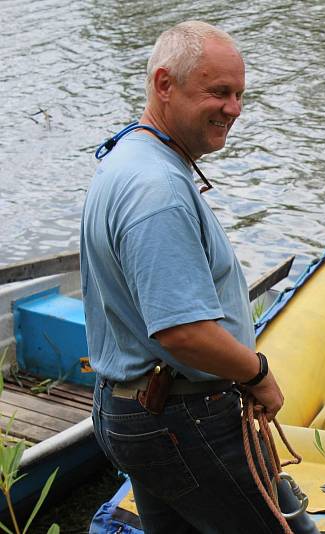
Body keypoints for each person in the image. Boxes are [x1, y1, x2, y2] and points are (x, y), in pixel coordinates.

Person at [81, 21, 285, 532]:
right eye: (218, 92)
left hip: (131, 406)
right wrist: (257, 373)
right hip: (181, 419)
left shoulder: (128, 157)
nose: (234, 109)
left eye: (239, 94)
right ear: (164, 84)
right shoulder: (158, 190)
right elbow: (183, 331)